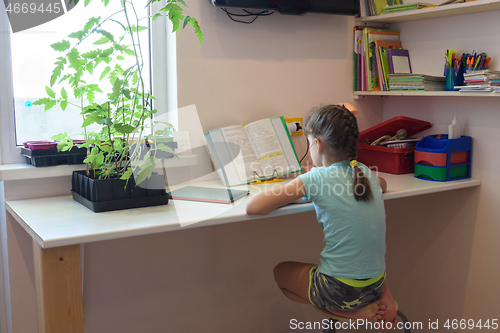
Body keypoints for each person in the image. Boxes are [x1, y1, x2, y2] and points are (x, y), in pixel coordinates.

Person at [246, 104, 397, 328]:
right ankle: (384, 299)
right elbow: (382, 185)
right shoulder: (365, 173)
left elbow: (254, 207)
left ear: (318, 144)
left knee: (281, 272)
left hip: (340, 290)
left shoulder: (316, 178)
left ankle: (352, 312)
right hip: (375, 285)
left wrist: (301, 187)